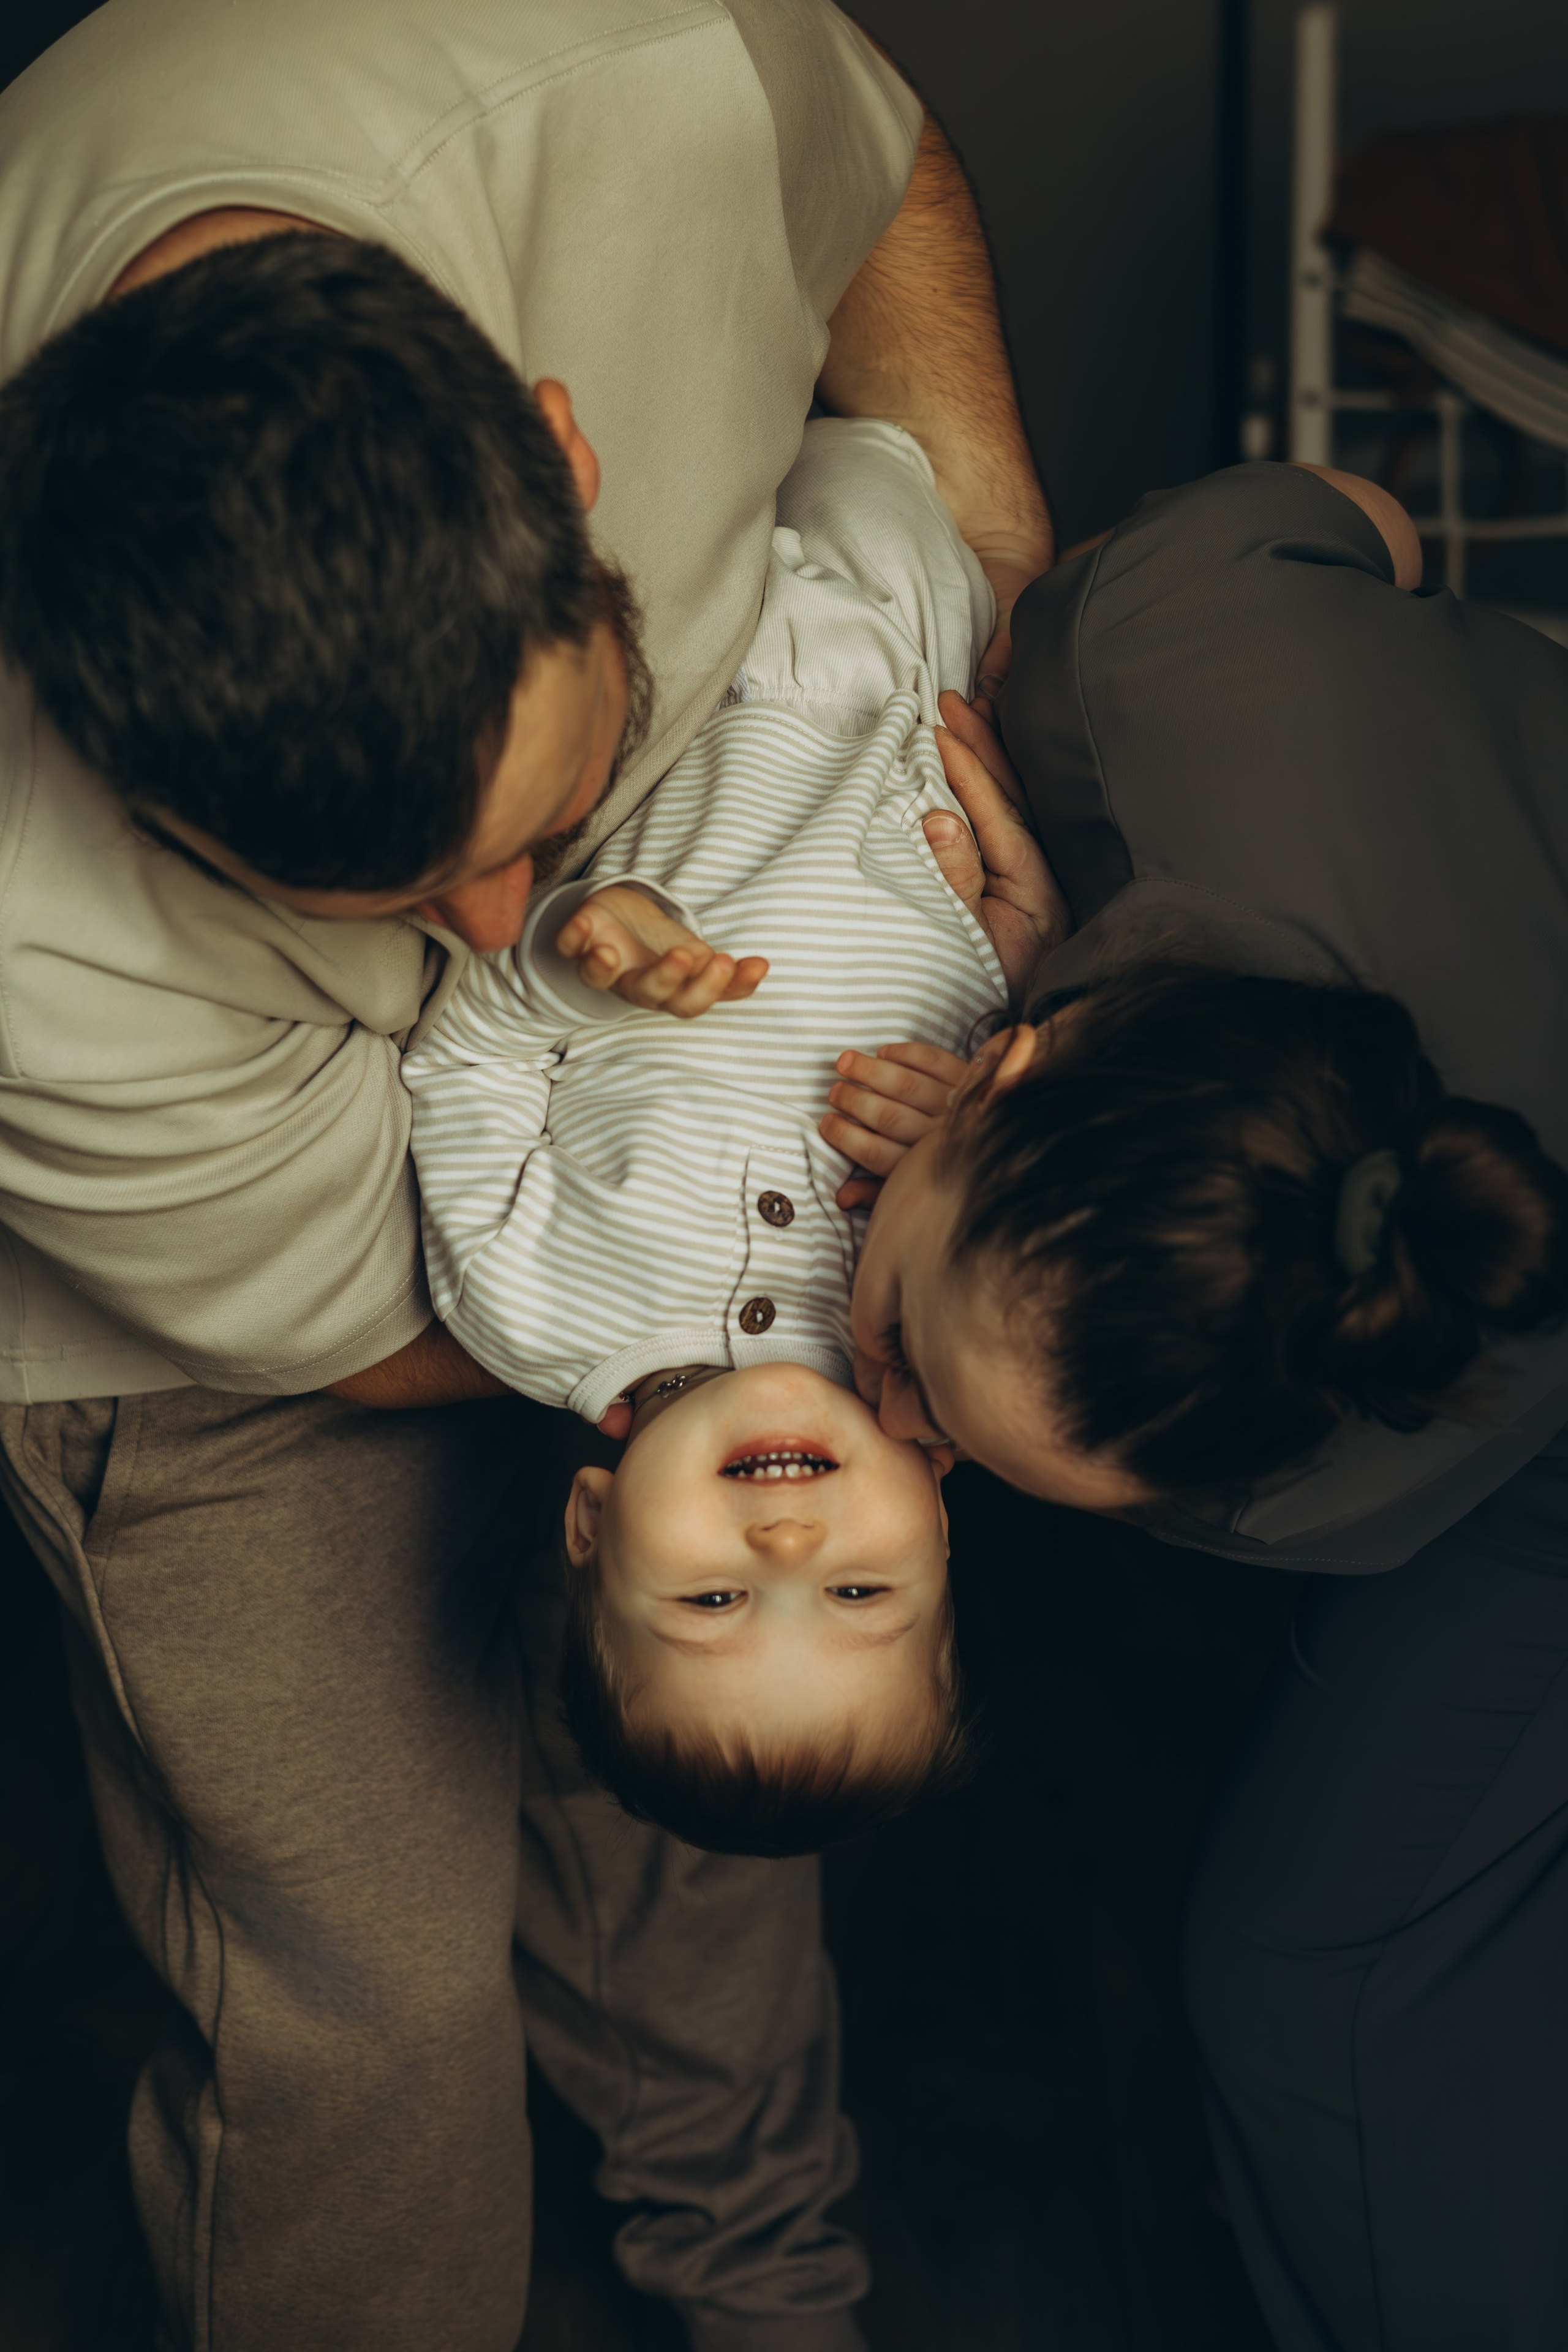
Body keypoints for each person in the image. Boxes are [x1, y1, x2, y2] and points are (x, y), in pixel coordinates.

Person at [0, 4, 1053, 2346]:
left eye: (525, 832)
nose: (503, 934)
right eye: (377, 890)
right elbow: (380, 1333)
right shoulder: (28, 930)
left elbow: (866, 169)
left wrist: (980, 579)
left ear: (572, 463)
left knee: (700, 1855)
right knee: (366, 2010)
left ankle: (768, 2277)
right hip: (247, 1329)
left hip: (637, 1280)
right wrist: (723, 1344)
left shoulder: (640, 59)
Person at [820, 457, 1568, 2348]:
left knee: (1314, 1987)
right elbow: (1375, 527)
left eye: (894, 1350)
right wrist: (1044, 960)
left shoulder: (1346, 1474)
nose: (885, 1431)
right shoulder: (1168, 646)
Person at [402, 416, 1065, 1852]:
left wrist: (582, 959)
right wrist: (1012, 953)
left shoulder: (526, 1311)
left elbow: (461, 1065)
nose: (784, 1549)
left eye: (709, 1602)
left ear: (589, 1529)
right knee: (869, 426)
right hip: (896, 677)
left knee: (679, 392)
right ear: (939, 1519)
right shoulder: (959, 1330)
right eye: (859, 1593)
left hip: (680, 705)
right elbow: (998, 1083)